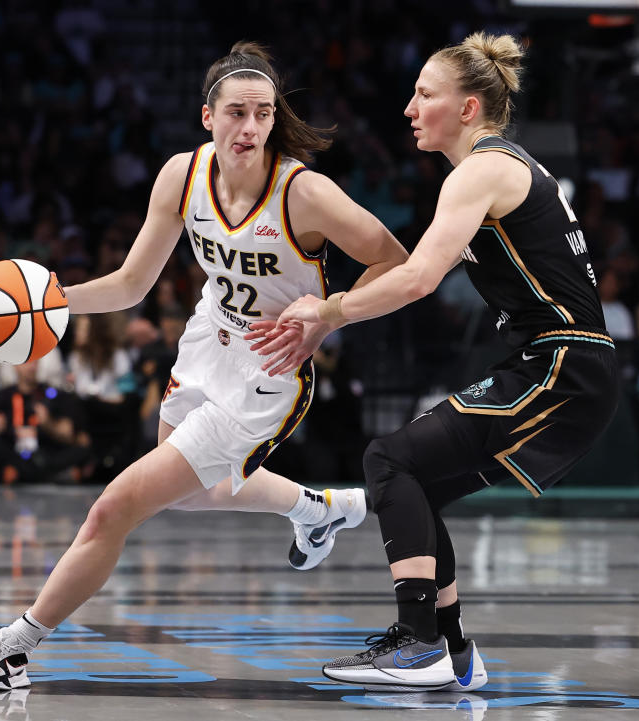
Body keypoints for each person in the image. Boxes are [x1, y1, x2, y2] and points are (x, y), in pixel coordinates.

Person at [0, 41, 408, 691]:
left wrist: (331, 308)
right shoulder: (180, 175)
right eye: (237, 113)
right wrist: (50, 300)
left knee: (113, 508)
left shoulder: (303, 194)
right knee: (193, 495)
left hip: (267, 369)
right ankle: (316, 507)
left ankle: (12, 647)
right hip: (206, 341)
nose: (250, 128)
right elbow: (134, 282)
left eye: (263, 114)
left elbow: (396, 259)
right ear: (207, 117)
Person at [254, 32, 618, 691]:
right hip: (561, 364)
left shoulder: (481, 170)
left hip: (563, 365)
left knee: (390, 460)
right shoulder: (491, 170)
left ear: (470, 108)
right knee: (413, 484)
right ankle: (450, 649)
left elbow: (419, 277)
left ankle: (420, 642)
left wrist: (330, 311)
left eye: (425, 94)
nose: (409, 107)